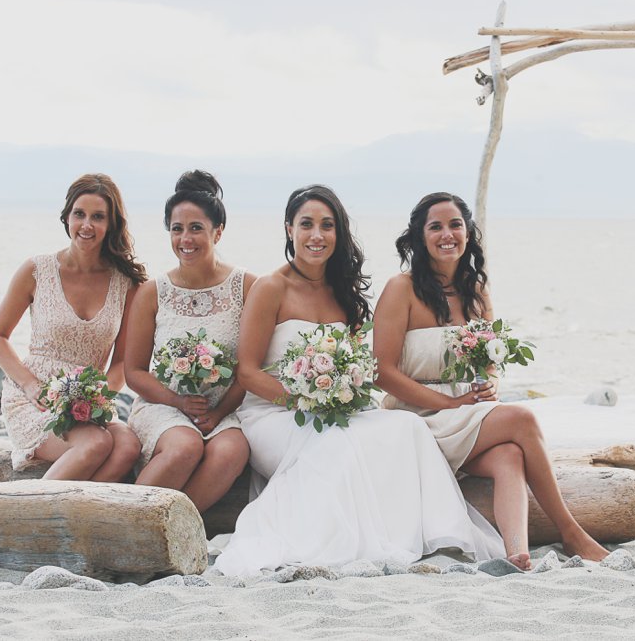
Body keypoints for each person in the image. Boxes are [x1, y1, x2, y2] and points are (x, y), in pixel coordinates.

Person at [213, 185, 503, 577]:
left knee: (406, 426)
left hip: (329, 410)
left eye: (327, 225)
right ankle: (329, 540)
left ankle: (416, 534)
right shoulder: (271, 287)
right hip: (273, 414)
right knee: (336, 444)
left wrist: (344, 388)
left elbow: (359, 364)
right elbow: (247, 372)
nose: (317, 235)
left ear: (338, 233)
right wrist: (302, 401)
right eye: (307, 224)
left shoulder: (341, 292)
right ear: (289, 230)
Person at [373, 192, 610, 567]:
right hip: (415, 419)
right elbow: (382, 372)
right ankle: (570, 532)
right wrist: (448, 403)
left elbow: (489, 360)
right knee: (523, 419)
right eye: (436, 227)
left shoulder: (476, 290)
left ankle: (515, 552)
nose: (447, 234)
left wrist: (491, 383)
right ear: (420, 236)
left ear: (468, 233)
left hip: (464, 413)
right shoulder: (401, 288)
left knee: (510, 455)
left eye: (456, 225)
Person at [0, 173, 144, 480]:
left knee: (128, 446)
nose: (86, 225)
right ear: (67, 217)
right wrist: (30, 385)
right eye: (79, 214)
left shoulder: (126, 284)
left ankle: (78, 509)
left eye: (98, 217)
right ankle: (36, 507)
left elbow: (122, 362)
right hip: (35, 397)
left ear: (111, 224)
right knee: (96, 443)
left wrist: (99, 397)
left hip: (89, 399)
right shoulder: (36, 270)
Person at [125, 170, 254, 513]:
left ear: (218, 231)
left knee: (233, 450)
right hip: (163, 405)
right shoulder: (152, 292)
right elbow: (133, 372)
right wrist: (178, 402)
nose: (185, 238)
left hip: (223, 409)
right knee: (185, 446)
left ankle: (181, 528)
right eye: (177, 229)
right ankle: (129, 522)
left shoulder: (247, 287)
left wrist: (219, 412)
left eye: (196, 228)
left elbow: (250, 368)